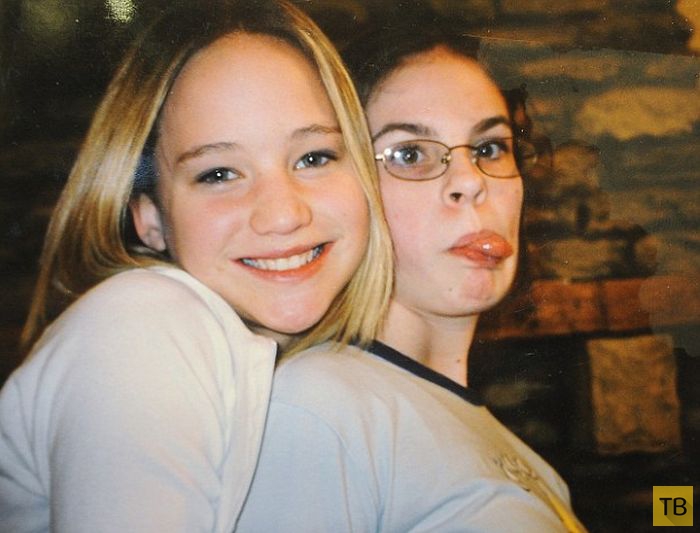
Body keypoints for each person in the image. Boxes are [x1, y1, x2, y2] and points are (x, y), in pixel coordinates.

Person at [0, 1, 392, 531]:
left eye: (313, 158)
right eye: (219, 174)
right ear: (150, 219)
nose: (283, 214)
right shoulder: (145, 324)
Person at [237, 19, 586, 532]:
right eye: (410, 154)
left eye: (490, 148)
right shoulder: (318, 406)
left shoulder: (493, 438)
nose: (471, 182)